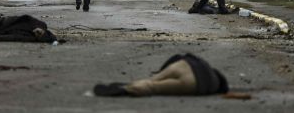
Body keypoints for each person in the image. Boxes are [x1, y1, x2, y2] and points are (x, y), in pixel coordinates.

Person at [93, 53, 229, 96]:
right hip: (194, 82)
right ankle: (127, 89)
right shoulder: (214, 85)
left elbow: (177, 56)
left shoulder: (204, 63)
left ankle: (138, 83)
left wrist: (161, 71)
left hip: (183, 64)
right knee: (154, 88)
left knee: (152, 80)